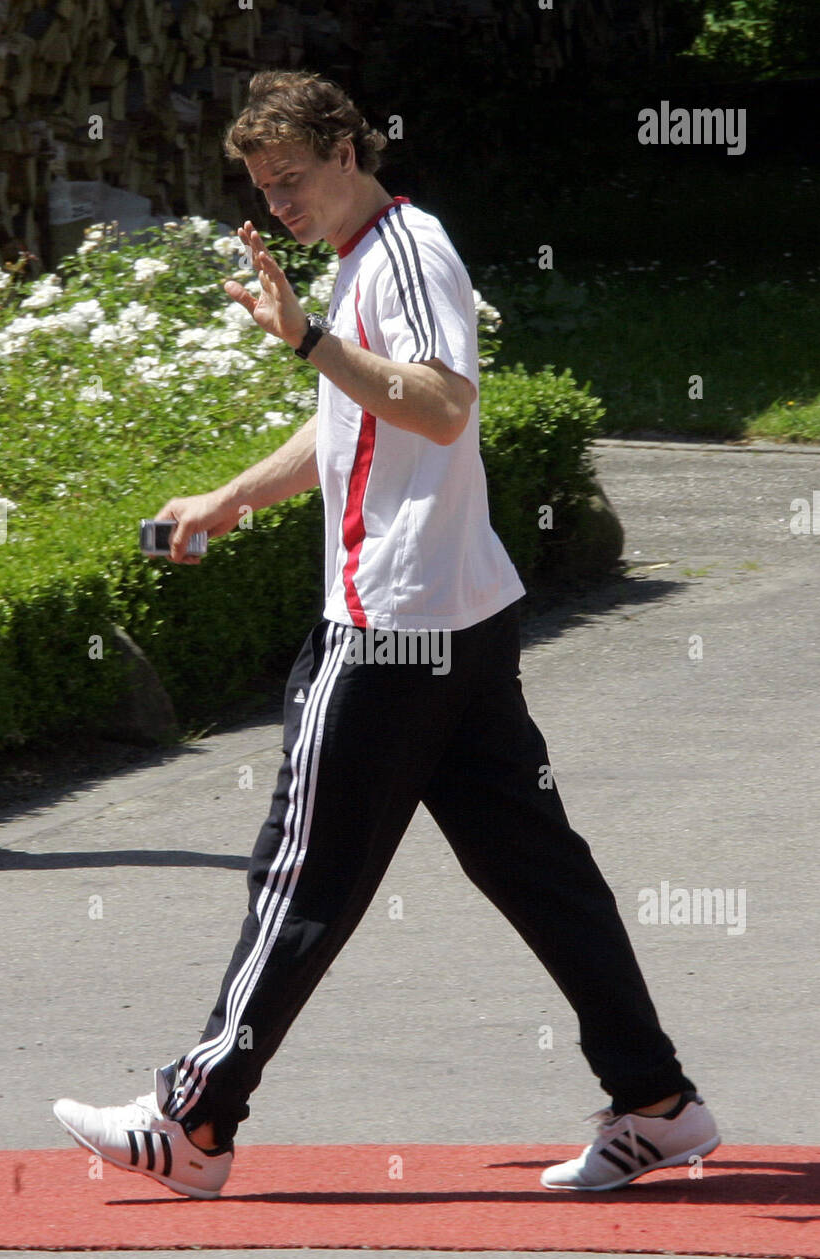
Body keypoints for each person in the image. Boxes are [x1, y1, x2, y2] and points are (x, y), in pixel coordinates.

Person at [54, 70, 719, 1198]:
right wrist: (228, 498)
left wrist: (306, 335)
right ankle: (654, 1101)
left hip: (392, 621)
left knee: (300, 869)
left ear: (349, 152)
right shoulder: (375, 257)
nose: (278, 205)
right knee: (536, 870)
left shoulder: (402, 255)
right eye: (262, 190)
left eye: (293, 179)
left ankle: (194, 1120)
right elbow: (365, 421)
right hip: (452, 618)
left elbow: (443, 404)